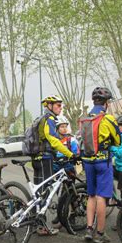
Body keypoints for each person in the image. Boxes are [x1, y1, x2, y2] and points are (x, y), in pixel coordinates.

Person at [82, 87, 121, 243]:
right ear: (106, 103)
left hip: (88, 161)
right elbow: (118, 141)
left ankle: (89, 229)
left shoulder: (85, 118)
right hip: (103, 161)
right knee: (101, 197)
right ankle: (100, 233)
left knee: (91, 195)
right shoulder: (108, 118)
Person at [33, 95, 74, 235]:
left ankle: (34, 222)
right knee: (45, 192)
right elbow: (54, 141)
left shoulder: (41, 118)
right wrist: (70, 154)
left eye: (60, 105)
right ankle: (41, 226)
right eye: (57, 105)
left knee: (39, 192)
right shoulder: (49, 119)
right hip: (45, 158)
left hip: (37, 158)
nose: (60, 108)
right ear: (49, 106)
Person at [51, 115, 80, 230]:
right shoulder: (54, 141)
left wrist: (72, 157)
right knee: (59, 193)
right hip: (57, 169)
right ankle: (60, 214)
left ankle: (71, 215)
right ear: (57, 129)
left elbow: (76, 153)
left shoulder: (71, 140)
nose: (64, 129)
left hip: (68, 169)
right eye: (61, 127)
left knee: (68, 194)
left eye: (65, 126)